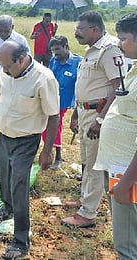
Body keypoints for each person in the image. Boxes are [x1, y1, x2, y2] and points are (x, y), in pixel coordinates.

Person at [0, 41, 59, 259]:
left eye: (8, 66)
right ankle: (7, 207)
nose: (4, 71)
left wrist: (47, 150)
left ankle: (20, 240)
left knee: (19, 185)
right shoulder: (5, 74)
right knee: (3, 178)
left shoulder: (43, 78)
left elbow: (54, 115)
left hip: (26, 140)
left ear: (21, 59)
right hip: (4, 136)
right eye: (1, 66)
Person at [62, 10, 126, 228]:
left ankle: (88, 214)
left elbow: (118, 89)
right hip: (86, 112)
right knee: (86, 161)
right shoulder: (91, 50)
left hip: (98, 116)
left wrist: (100, 120)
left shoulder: (108, 50)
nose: (76, 33)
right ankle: (84, 200)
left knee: (94, 166)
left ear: (95, 29)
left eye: (80, 29)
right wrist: (76, 113)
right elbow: (85, 86)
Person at [93, 12, 137, 259]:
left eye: (123, 38)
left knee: (127, 244)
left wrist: (126, 183)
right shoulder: (133, 68)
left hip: (128, 173)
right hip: (119, 167)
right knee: (126, 233)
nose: (119, 44)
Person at [0, 14, 30, 158]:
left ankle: (12, 146)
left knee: (11, 114)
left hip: (13, 84)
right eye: (0, 30)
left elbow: (27, 62)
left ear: (12, 28)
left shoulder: (20, 40)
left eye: (6, 31)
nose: (2, 34)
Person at [42, 36, 82, 169]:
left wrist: (77, 111)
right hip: (49, 97)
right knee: (44, 125)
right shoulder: (54, 60)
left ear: (66, 46)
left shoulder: (78, 62)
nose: (55, 53)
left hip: (64, 100)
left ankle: (58, 156)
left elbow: (81, 86)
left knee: (55, 125)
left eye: (58, 49)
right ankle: (49, 152)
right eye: (53, 50)